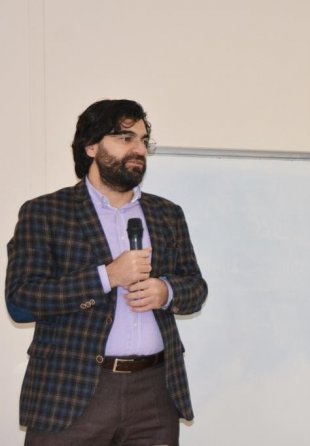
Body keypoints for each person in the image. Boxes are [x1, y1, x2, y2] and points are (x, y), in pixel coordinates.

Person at [5, 99, 208, 445]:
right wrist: (107, 276)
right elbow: (21, 302)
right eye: (125, 138)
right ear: (91, 146)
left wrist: (166, 292)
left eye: (143, 141)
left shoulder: (167, 213)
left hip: (154, 392)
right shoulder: (45, 212)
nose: (139, 149)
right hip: (71, 390)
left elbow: (196, 288)